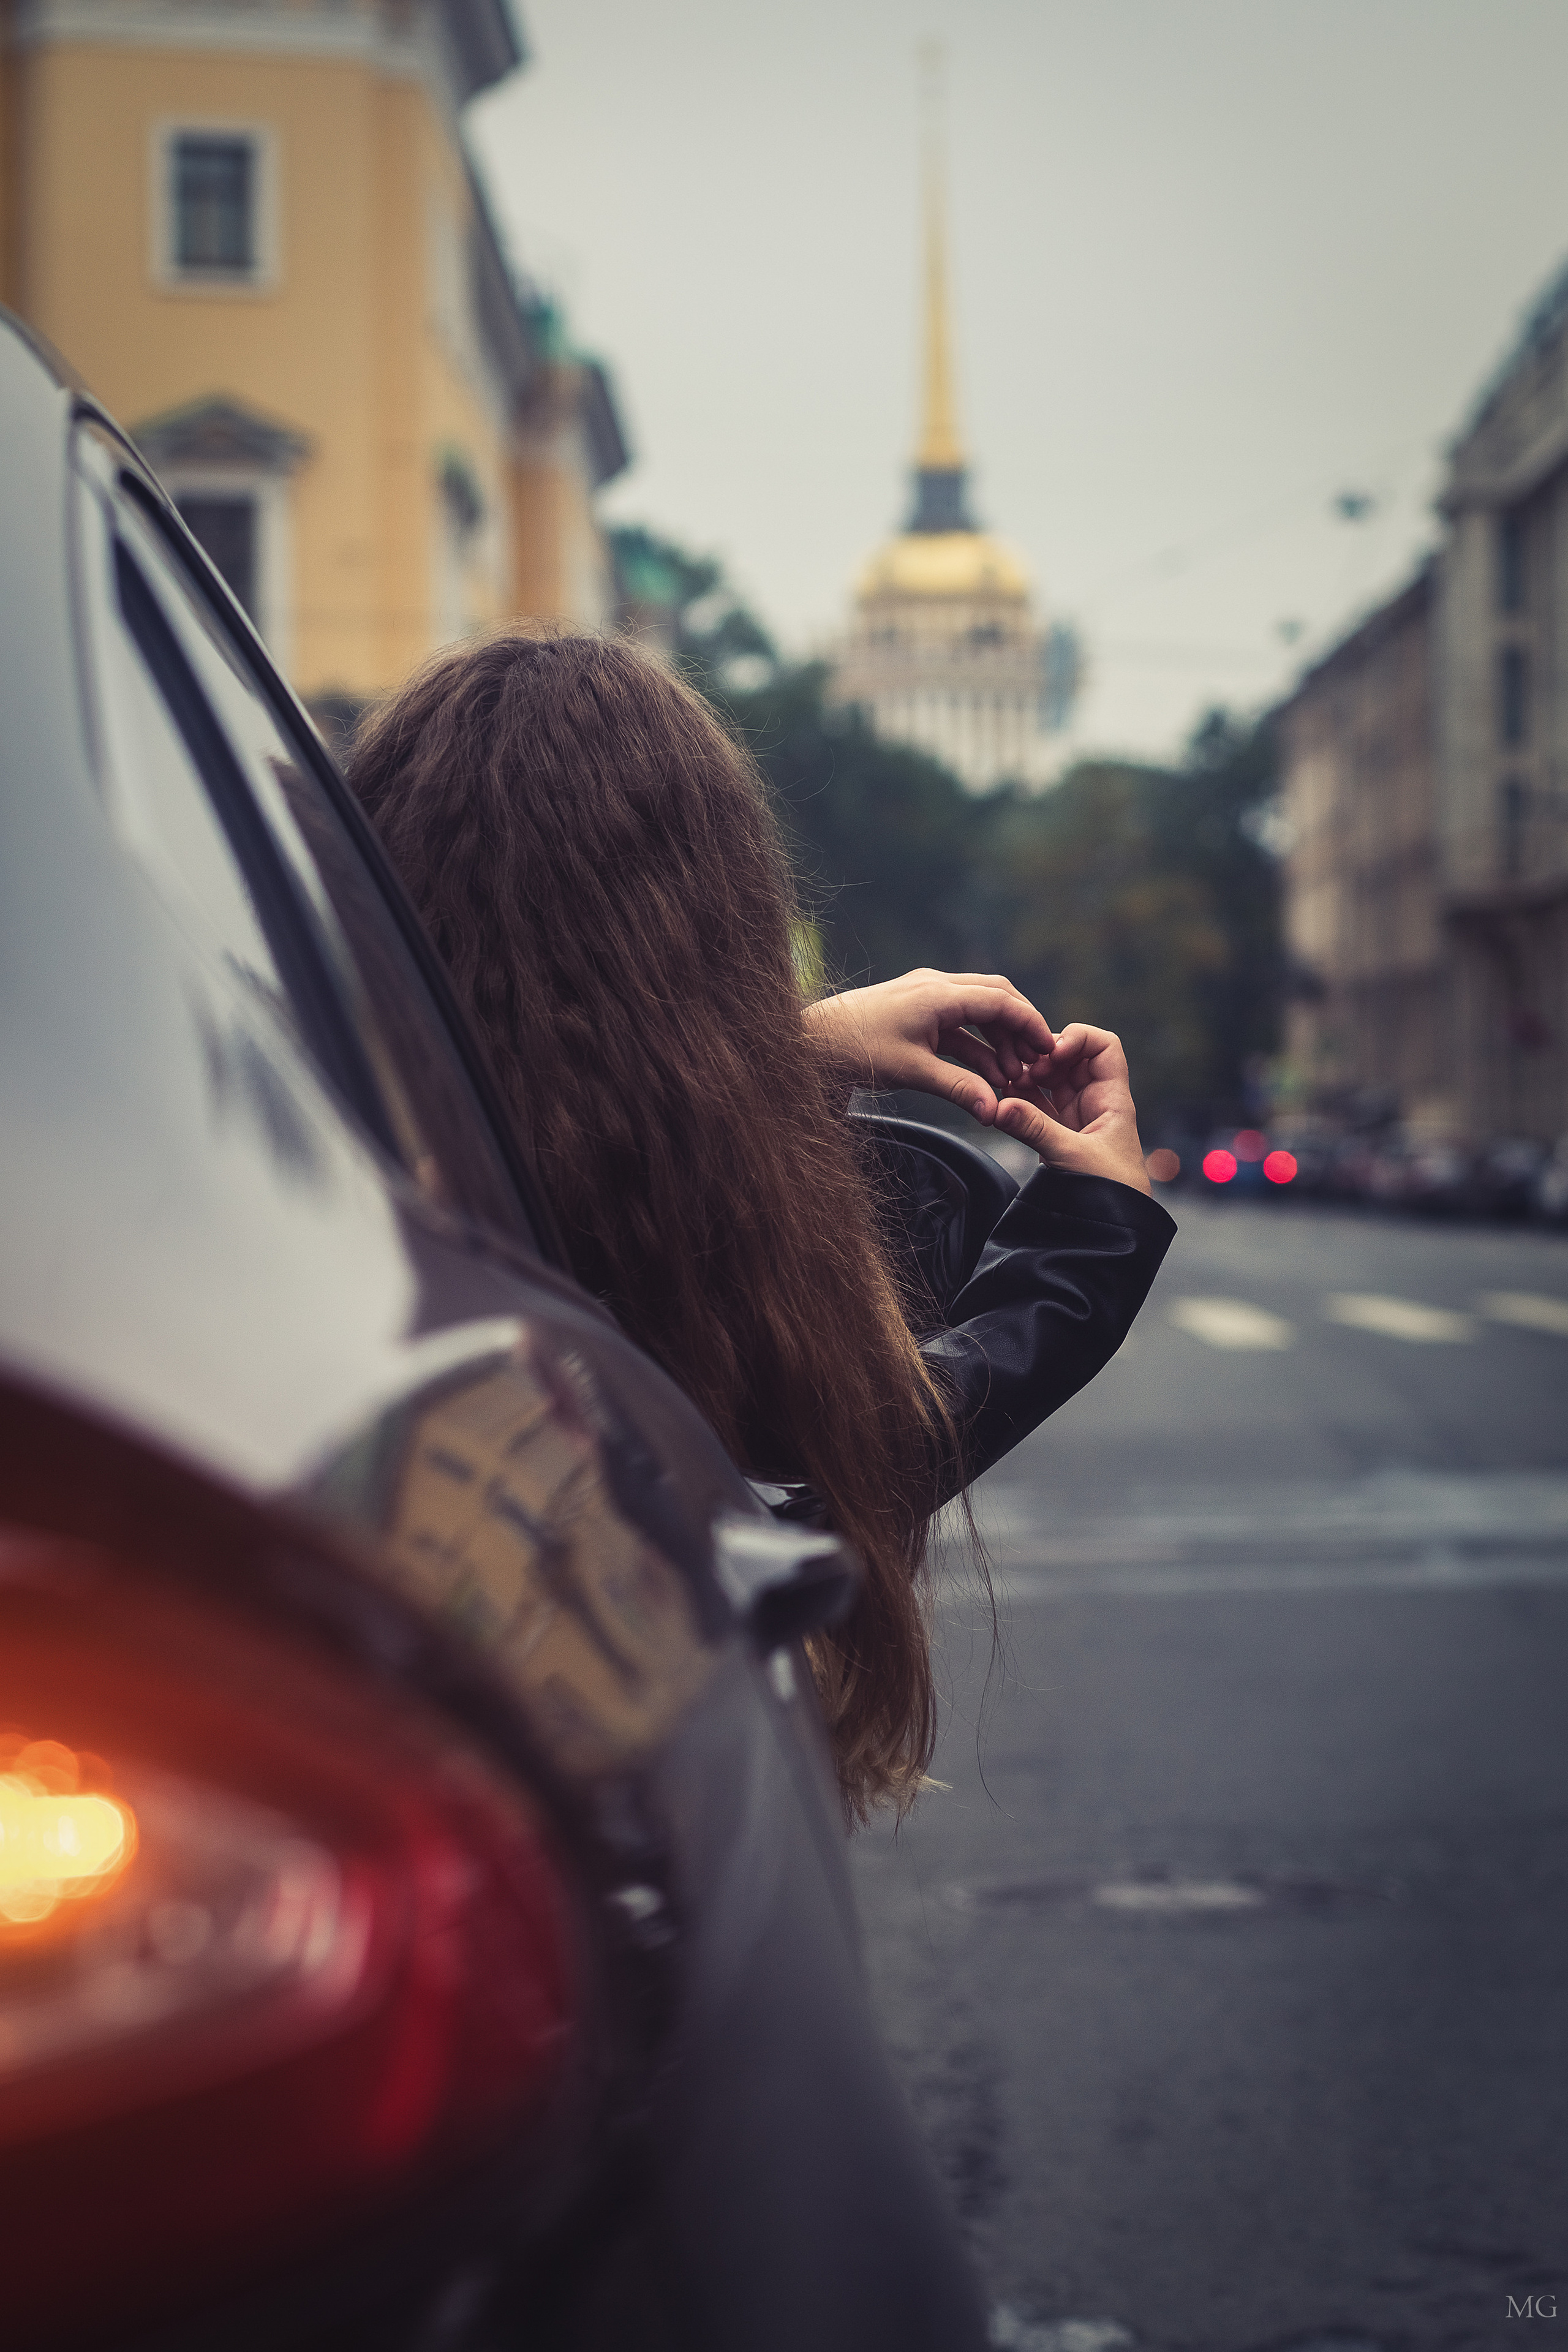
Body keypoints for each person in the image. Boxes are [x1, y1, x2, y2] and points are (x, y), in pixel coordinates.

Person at [349, 631, 1175, 1821]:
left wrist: (789, 1051)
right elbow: (781, 1497)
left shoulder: (304, 1157)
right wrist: (1090, 1239)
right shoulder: (627, 1253)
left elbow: (535, 1086)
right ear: (723, 920)